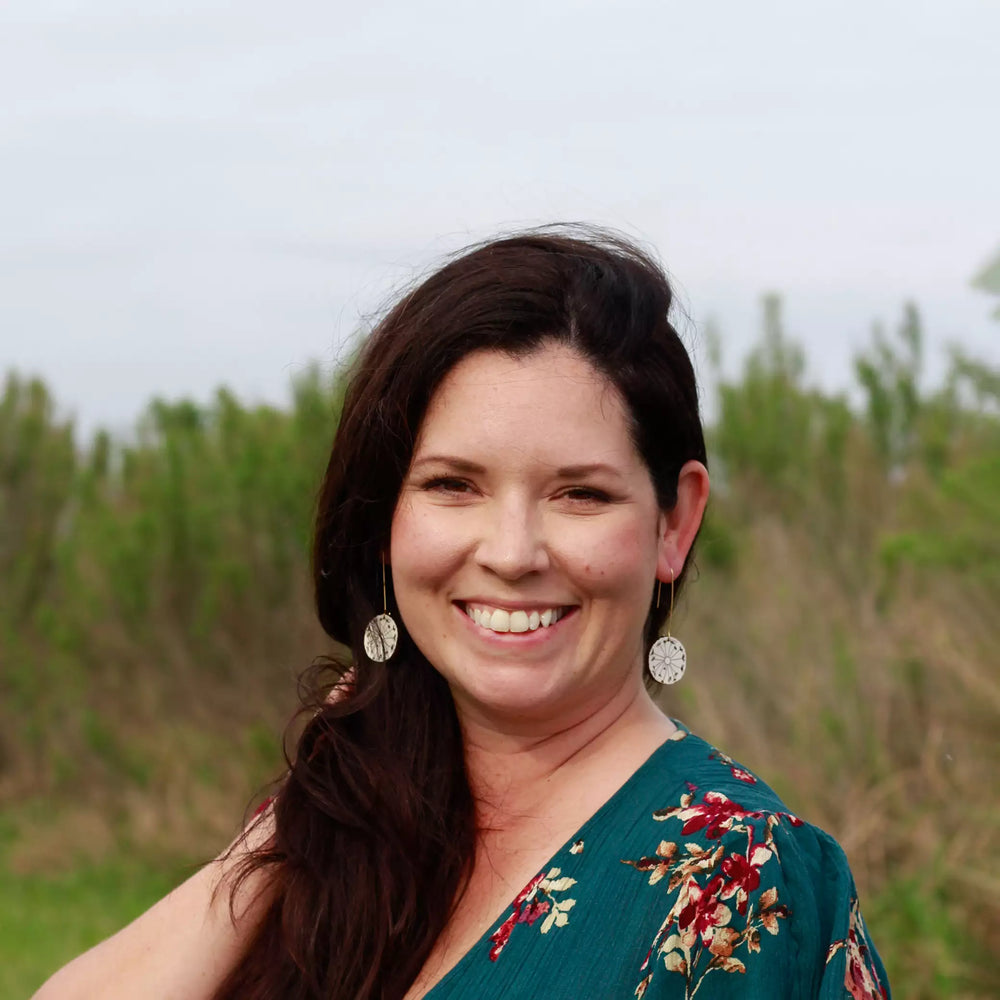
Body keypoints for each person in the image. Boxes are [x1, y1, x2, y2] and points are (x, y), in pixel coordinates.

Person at [34, 228, 890, 999]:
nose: (512, 553)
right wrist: (287, 833)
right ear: (381, 520)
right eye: (453, 486)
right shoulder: (346, 818)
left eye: (579, 494)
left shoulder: (744, 881)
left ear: (674, 523)